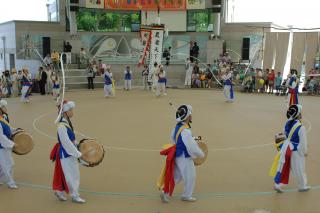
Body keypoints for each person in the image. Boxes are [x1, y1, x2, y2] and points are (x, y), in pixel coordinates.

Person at [159, 104, 204, 203]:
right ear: (188, 117)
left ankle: (164, 191)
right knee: (191, 176)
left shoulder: (177, 127)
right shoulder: (186, 131)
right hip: (185, 156)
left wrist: (193, 138)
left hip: (177, 155)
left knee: (175, 176)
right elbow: (191, 146)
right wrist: (200, 154)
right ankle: (186, 195)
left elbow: (175, 139)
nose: (192, 116)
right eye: (190, 114)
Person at [50, 100, 86, 203]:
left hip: (68, 152)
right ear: (65, 112)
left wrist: (77, 143)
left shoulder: (67, 122)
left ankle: (60, 191)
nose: (72, 111)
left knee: (68, 174)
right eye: (70, 109)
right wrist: (77, 153)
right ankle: (75, 195)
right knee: (72, 175)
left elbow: (71, 139)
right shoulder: (61, 126)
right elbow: (66, 143)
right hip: (66, 153)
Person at [271, 104, 310, 193]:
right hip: (296, 151)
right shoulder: (301, 127)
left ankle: (278, 184)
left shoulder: (287, 123)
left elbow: (285, 134)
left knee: (284, 167)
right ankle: (302, 186)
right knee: (299, 169)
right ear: (299, 114)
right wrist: (304, 152)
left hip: (286, 148)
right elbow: (303, 144)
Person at [0, 99, 18, 189]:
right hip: (2, 146)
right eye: (3, 107)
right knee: (9, 164)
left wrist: (16, 130)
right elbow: (1, 137)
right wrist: (12, 144)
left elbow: (8, 128)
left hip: (4, 145)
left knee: (3, 165)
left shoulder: (3, 118)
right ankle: (11, 182)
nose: (5, 108)